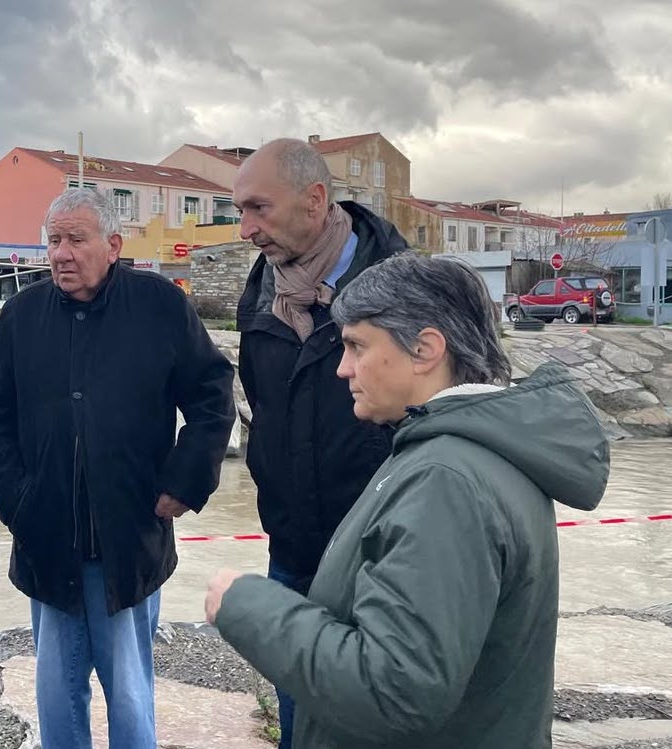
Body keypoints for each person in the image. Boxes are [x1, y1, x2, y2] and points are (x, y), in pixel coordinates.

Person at [206, 254, 610, 749]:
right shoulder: (469, 452)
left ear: (424, 349)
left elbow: (393, 691)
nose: (342, 368)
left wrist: (246, 604)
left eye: (356, 345)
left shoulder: (447, 480)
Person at [0, 188, 236, 749]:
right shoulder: (22, 315)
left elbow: (213, 398)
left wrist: (184, 481)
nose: (61, 253)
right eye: (54, 240)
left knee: (131, 694)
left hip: (131, 533)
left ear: (113, 245)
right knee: (56, 693)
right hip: (46, 536)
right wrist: (17, 499)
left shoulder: (160, 306)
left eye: (76, 239)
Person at [232, 137, 409, 747]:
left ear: (314, 200)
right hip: (292, 546)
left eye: (258, 208)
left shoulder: (404, 288)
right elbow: (263, 408)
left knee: (381, 719)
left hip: (384, 551)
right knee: (299, 720)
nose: (245, 228)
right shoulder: (259, 292)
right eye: (239, 211)